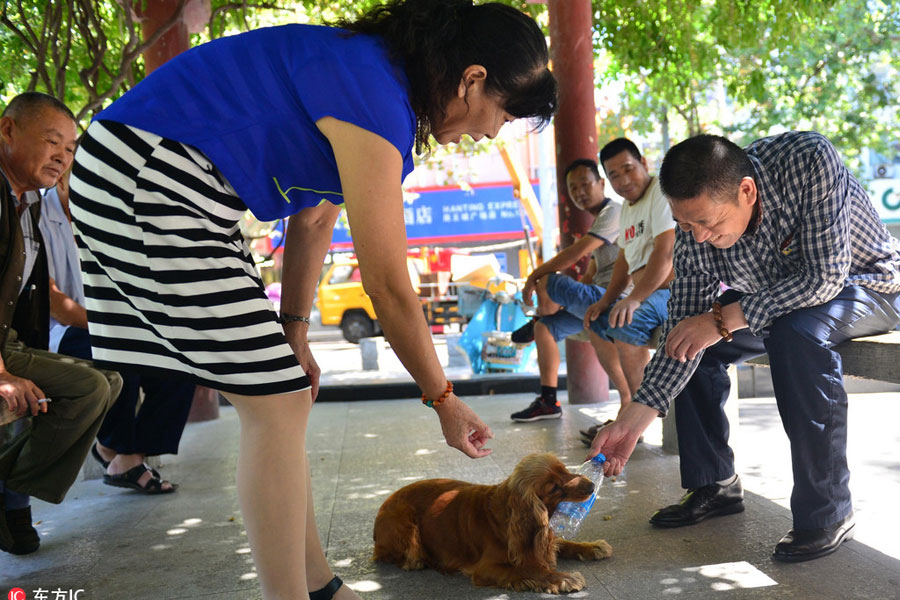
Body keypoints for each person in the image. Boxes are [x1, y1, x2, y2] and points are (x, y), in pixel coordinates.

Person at [67, 1, 556, 597]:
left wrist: (294, 331)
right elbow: (386, 285)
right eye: (501, 114)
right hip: (150, 176)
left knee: (285, 391)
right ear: (473, 79)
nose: (488, 132)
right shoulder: (375, 95)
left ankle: (316, 583)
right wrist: (443, 398)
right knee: (273, 402)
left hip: (172, 183)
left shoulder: (374, 85)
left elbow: (315, 219)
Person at [588, 132, 900, 563]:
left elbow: (824, 277)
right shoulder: (695, 226)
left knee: (796, 335)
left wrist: (723, 319)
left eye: (708, 224)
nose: (696, 238)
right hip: (773, 301)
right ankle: (715, 483)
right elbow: (684, 324)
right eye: (685, 226)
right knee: (692, 341)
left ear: (747, 192)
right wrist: (634, 419)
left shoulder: (807, 161)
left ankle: (827, 512)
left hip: (867, 284)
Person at [0, 92, 121, 555]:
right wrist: (5, 374)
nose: (63, 157)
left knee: (105, 380)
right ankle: (13, 496)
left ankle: (12, 489)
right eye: (52, 142)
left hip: (14, 342)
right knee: (89, 386)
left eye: (70, 149)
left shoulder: (26, 204)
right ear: (8, 131)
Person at [40, 171, 193, 494]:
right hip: (58, 332)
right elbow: (57, 306)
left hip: (108, 323)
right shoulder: (39, 216)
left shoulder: (106, 217)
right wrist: (119, 329)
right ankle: (114, 449)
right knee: (120, 356)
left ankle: (129, 455)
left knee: (178, 361)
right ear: (63, 181)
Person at [509, 158, 629, 422]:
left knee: (549, 281)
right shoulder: (600, 222)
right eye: (573, 189)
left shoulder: (615, 211)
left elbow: (576, 253)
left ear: (601, 183)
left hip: (619, 300)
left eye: (585, 184)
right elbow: (589, 275)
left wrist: (535, 275)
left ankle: (628, 402)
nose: (579, 192)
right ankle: (549, 401)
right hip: (598, 300)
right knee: (545, 329)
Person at [581, 138, 675, 405]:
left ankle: (640, 413)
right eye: (614, 175)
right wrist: (606, 300)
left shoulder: (660, 191)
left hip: (672, 293)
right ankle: (628, 403)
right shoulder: (627, 209)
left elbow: (665, 252)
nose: (623, 180)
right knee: (599, 321)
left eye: (628, 168)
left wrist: (634, 298)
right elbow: (624, 259)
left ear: (644, 163)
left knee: (626, 322)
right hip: (646, 293)